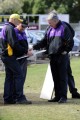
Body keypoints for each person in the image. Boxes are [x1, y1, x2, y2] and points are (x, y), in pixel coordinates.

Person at [32, 10, 74, 103]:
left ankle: (63, 97)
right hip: (52, 56)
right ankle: (57, 96)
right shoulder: (49, 29)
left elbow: (70, 41)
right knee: (55, 77)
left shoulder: (64, 27)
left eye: (50, 23)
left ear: (55, 21)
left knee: (62, 77)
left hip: (62, 56)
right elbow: (44, 41)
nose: (49, 24)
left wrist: (66, 51)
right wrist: (34, 47)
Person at [0, 14, 32, 104]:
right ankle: (20, 98)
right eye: (18, 20)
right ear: (13, 19)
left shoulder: (5, 27)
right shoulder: (10, 28)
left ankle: (8, 98)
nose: (19, 22)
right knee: (19, 74)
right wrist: (25, 51)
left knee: (9, 77)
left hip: (6, 55)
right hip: (9, 56)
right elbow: (14, 44)